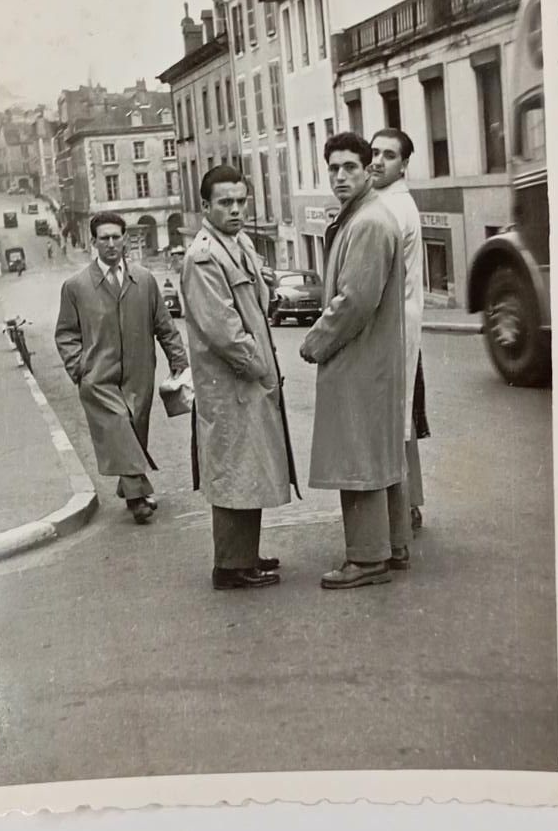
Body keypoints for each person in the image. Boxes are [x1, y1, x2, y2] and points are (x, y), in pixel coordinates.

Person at [181, 165, 299, 590]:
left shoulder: (239, 243)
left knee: (250, 470)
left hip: (246, 385)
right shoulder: (203, 256)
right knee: (234, 472)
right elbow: (223, 331)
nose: (235, 209)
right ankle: (230, 567)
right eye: (225, 202)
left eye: (240, 201)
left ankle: (245, 554)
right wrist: (259, 367)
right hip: (232, 385)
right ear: (205, 206)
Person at [300, 132, 407, 589]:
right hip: (373, 360)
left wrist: (315, 342)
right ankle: (392, 545)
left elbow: (355, 301)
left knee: (357, 454)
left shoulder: (366, 223)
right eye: (333, 168)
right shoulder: (364, 216)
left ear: (368, 171)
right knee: (377, 451)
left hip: (359, 359)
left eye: (350, 167)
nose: (340, 176)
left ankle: (366, 559)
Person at [55, 211, 188, 524]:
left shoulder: (143, 280)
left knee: (132, 433)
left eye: (117, 237)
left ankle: (130, 486)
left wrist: (179, 361)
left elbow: (164, 326)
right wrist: (80, 370)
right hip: (98, 379)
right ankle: (138, 498)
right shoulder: (76, 287)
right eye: (104, 238)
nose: (111, 244)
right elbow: (65, 334)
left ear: (125, 238)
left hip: (139, 374)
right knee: (118, 426)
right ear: (94, 242)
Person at [369, 127, 429, 545]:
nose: (377, 161)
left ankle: (400, 514)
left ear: (404, 164)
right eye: (374, 153)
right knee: (401, 419)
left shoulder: (392, 209)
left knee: (391, 421)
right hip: (404, 326)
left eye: (388, 156)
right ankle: (411, 504)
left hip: (393, 330)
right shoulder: (392, 201)